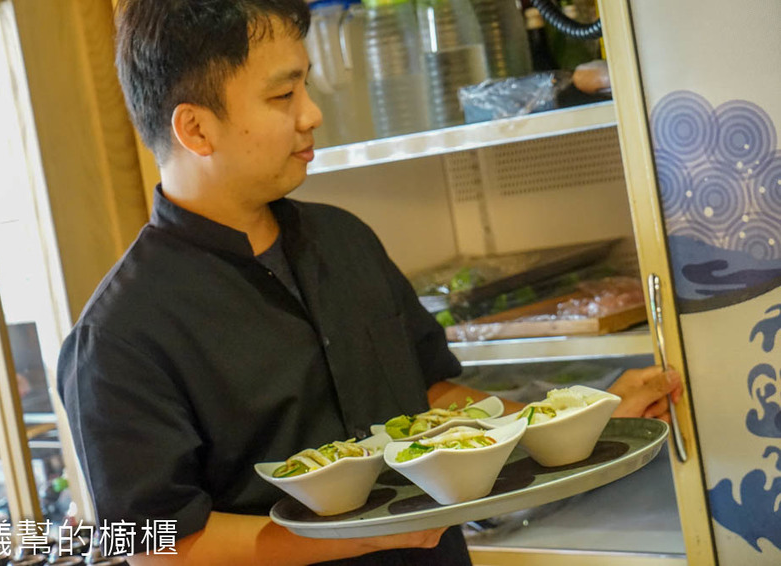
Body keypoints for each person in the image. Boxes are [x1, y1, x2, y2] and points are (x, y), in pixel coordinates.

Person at [56, 1, 682, 565]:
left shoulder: (342, 239)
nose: (313, 113)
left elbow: (433, 399)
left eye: (306, 85)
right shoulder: (118, 337)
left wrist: (575, 423)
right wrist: (370, 535)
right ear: (195, 129)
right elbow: (156, 545)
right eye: (283, 96)